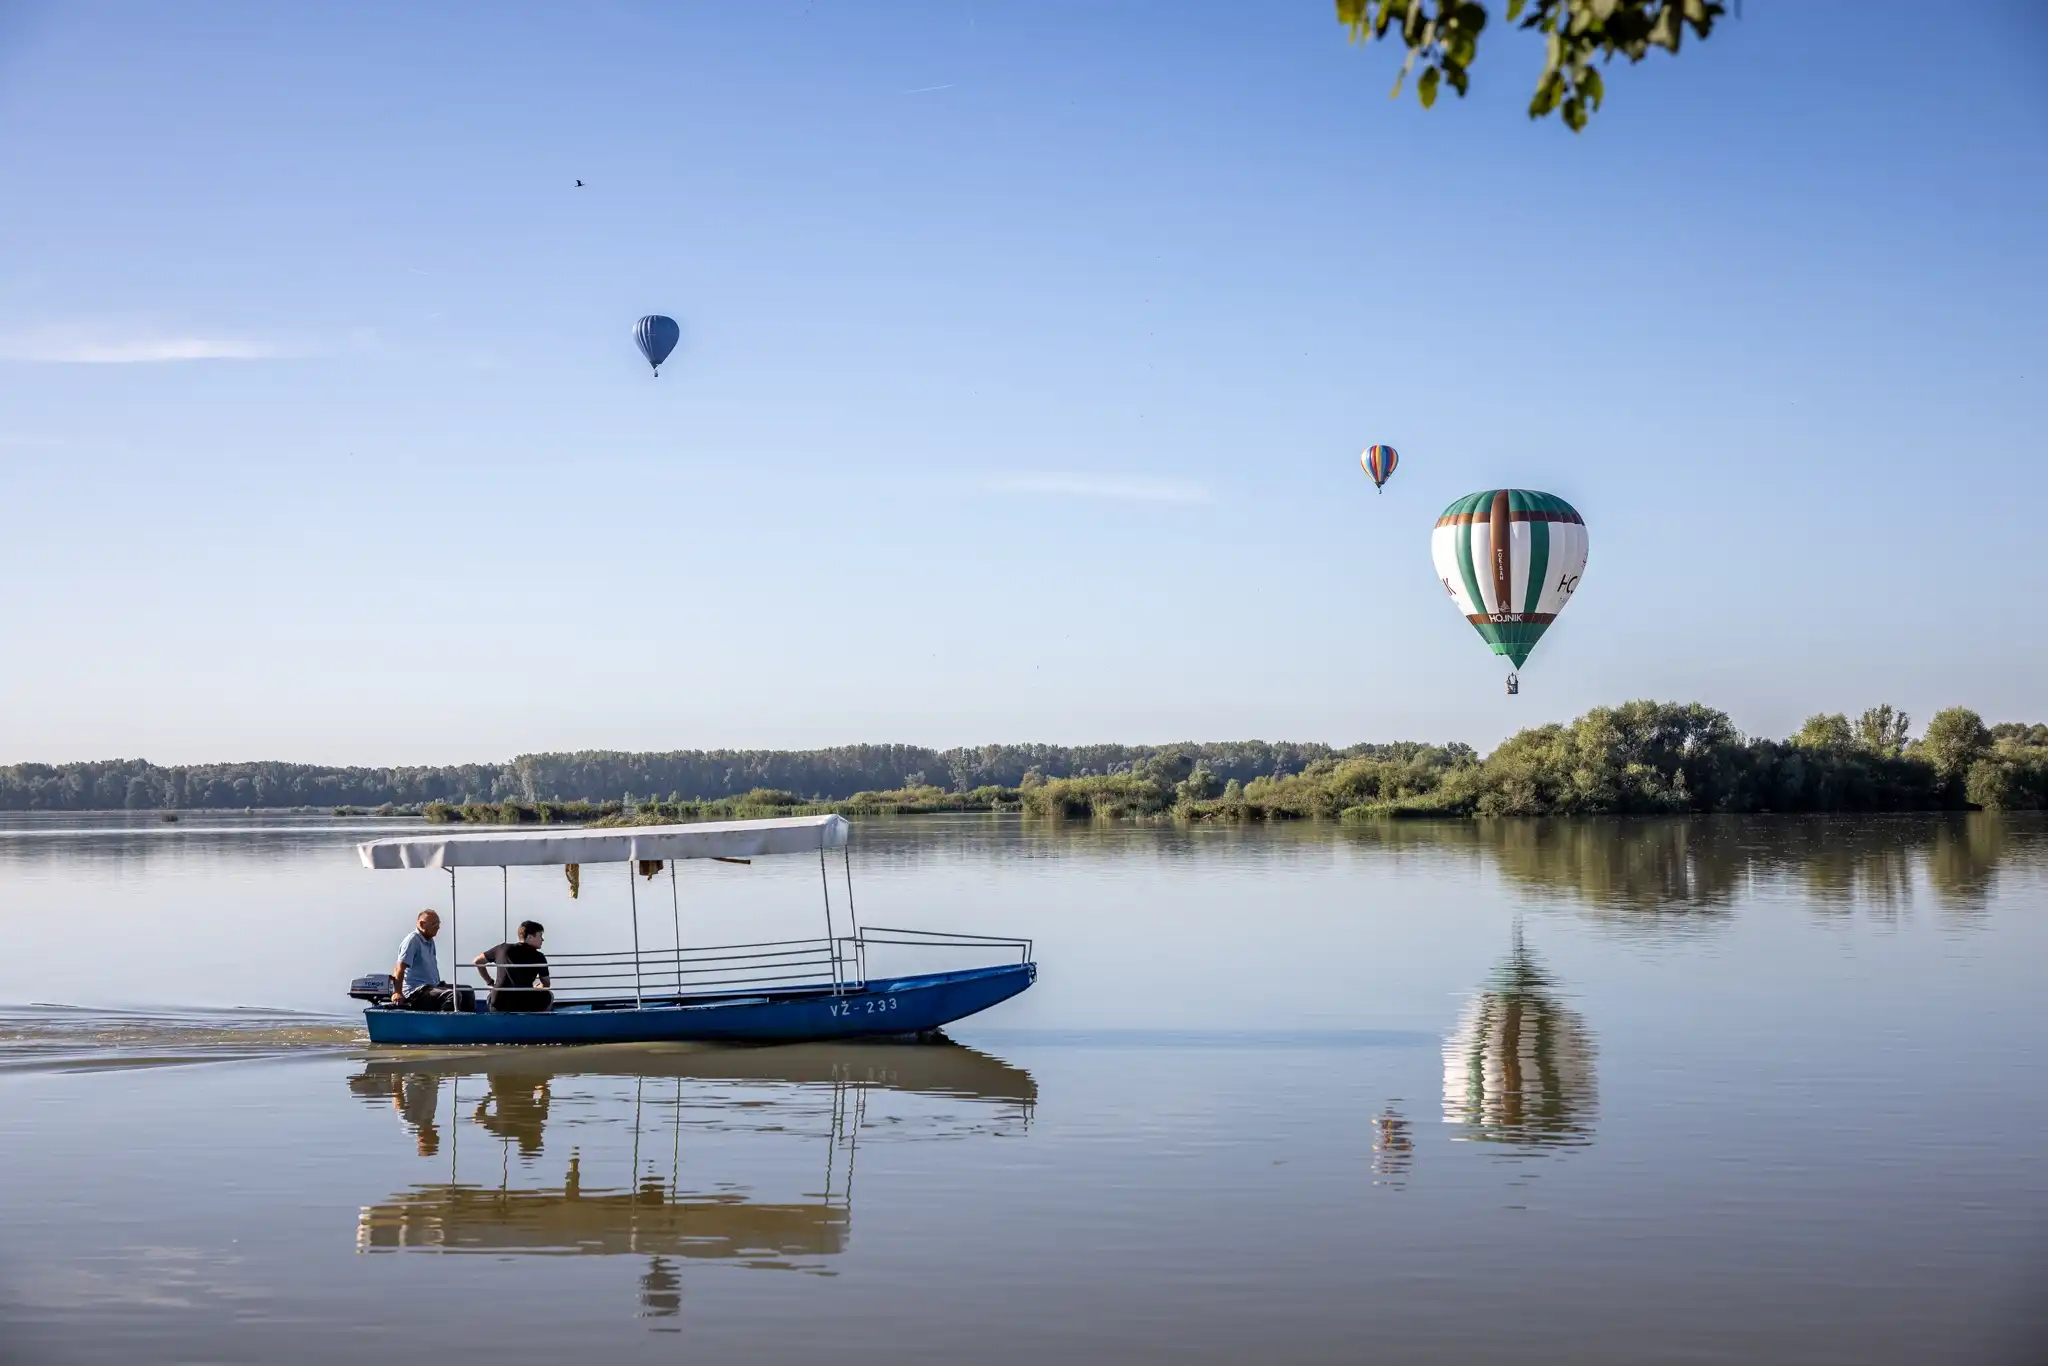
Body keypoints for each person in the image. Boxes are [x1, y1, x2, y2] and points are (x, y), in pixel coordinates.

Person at [390, 909, 471, 1011]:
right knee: (453, 995)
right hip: (416, 992)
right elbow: (399, 968)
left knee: (467, 991)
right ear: (422, 924)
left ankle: (467, 1022)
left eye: (439, 923)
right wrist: (397, 992)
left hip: (432, 986)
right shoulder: (412, 941)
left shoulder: (429, 940)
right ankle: (445, 1024)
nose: (438, 927)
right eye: (434, 924)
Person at [473, 920, 553, 1013]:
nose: (542, 940)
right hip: (525, 1004)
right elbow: (546, 984)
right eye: (540, 936)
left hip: (499, 1003)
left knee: (491, 997)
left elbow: (477, 961)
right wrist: (536, 988)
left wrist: (490, 982)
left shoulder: (502, 948)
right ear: (530, 937)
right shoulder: (539, 957)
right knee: (548, 995)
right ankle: (538, 1023)